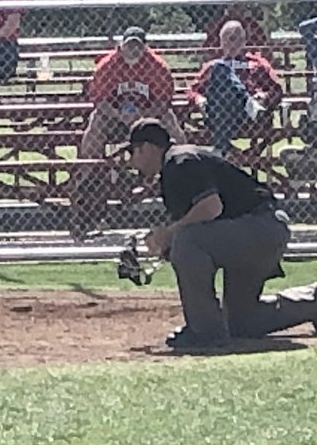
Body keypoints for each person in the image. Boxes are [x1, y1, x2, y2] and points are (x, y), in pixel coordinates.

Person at [120, 118, 317, 348]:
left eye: (133, 152)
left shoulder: (179, 161)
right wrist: (165, 242)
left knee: (187, 240)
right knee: (241, 322)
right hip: (258, 231)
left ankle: (204, 331)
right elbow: (201, 227)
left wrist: (170, 234)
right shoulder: (175, 166)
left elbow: (211, 207)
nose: (132, 161)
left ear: (148, 147)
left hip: (261, 227)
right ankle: (311, 302)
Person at [71, 26, 186, 240]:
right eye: (129, 45)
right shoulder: (108, 65)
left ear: (144, 47)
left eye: (138, 46)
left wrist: (144, 116)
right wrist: (119, 115)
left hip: (149, 117)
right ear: (121, 45)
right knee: (96, 121)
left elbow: (163, 101)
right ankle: (88, 173)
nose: (133, 50)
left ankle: (183, 167)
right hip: (115, 118)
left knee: (172, 122)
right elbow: (99, 101)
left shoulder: (156, 66)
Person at [188, 21, 283, 158]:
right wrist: (199, 99)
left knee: (222, 76)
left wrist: (263, 97)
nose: (230, 44)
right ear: (220, 43)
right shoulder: (213, 66)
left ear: (244, 40)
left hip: (247, 118)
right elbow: (192, 90)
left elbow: (277, 90)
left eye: (234, 38)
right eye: (225, 40)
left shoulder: (256, 63)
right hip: (219, 112)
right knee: (220, 70)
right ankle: (248, 102)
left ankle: (221, 148)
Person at [202, 4, 269, 59]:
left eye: (239, 7)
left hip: (247, 58)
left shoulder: (251, 25)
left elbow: (263, 45)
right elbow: (207, 48)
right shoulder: (219, 24)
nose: (237, 10)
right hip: (222, 58)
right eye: (234, 7)